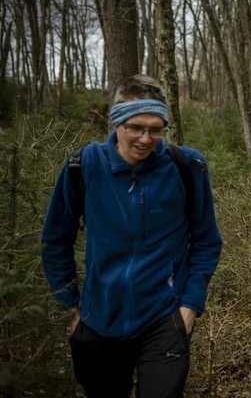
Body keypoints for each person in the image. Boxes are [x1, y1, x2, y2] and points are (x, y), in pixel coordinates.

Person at [41, 74, 222, 398]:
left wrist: (190, 307)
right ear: (116, 123)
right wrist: (71, 307)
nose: (145, 138)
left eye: (156, 129)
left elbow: (207, 241)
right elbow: (56, 239)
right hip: (98, 321)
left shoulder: (187, 167)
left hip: (165, 319)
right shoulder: (82, 167)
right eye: (136, 128)